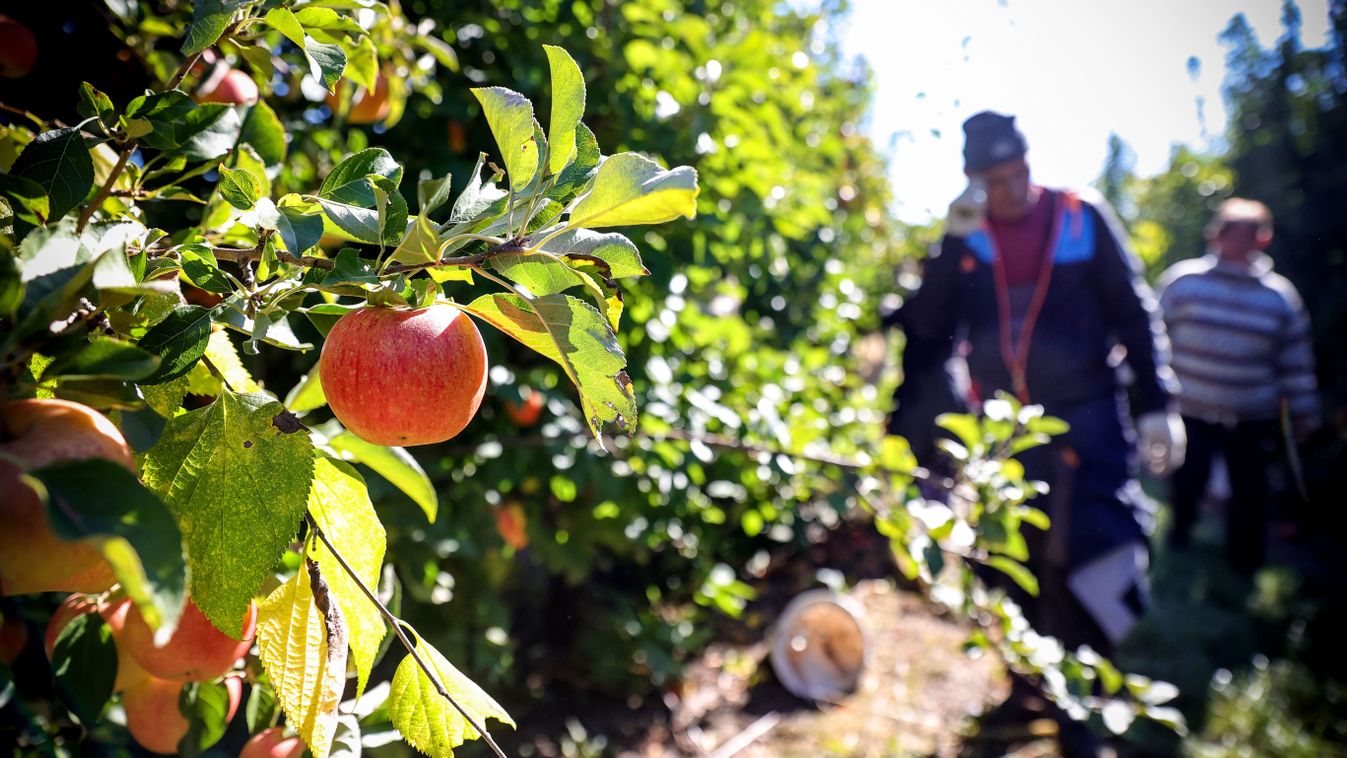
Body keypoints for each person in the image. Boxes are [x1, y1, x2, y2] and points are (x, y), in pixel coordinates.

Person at [896, 110, 1186, 655]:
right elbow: (929, 325)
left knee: (1096, 542)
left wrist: (1157, 403)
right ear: (973, 181)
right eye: (993, 182)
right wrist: (951, 244)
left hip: (1088, 417)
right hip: (1005, 427)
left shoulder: (1081, 217)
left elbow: (1133, 310)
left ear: (1029, 163)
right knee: (1013, 552)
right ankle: (1028, 670)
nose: (1009, 191)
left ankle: (1094, 669)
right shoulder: (968, 237)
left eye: (1017, 174)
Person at [1156, 198, 1320, 574]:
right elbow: (1150, 335)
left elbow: (1295, 359)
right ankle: (1177, 542)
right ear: (1216, 234)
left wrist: (1304, 411)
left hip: (1251, 413)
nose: (1233, 240)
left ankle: (1243, 564)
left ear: (1263, 239)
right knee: (1187, 479)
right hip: (1190, 407)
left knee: (1250, 490)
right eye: (1228, 231)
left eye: (1245, 233)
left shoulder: (1279, 296)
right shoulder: (1184, 281)